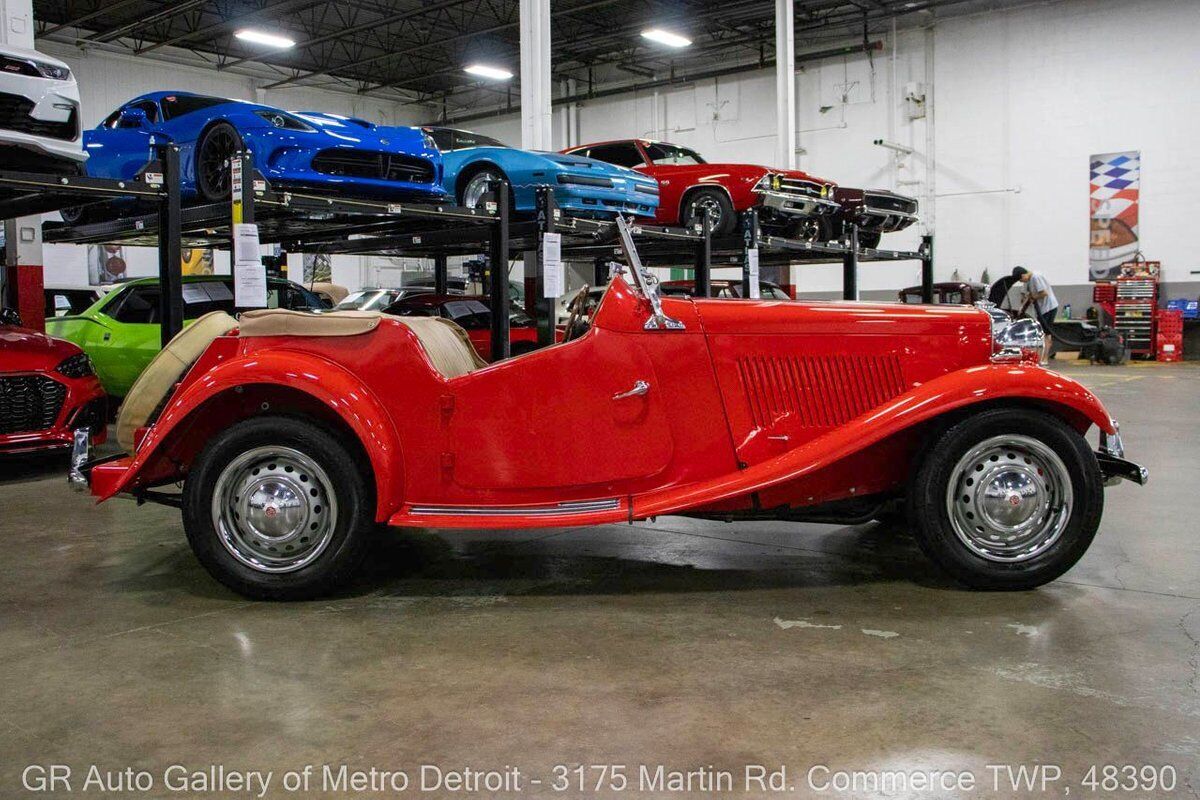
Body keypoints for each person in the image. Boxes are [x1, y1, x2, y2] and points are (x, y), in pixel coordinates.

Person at [1012, 266, 1058, 364]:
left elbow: (1044, 293)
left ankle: (1044, 359)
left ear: (1023, 275)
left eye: (1020, 279)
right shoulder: (1029, 280)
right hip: (1042, 309)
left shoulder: (1036, 277)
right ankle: (1042, 357)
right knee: (1042, 332)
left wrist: (1033, 297)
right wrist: (1021, 309)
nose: (1021, 281)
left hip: (1049, 308)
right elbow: (1027, 296)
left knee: (1046, 333)